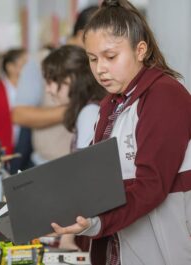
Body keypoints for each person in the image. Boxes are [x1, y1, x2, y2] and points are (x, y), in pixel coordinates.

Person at [51, 1, 191, 264]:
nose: (100, 68)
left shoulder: (164, 96)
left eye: (110, 57)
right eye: (93, 59)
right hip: (117, 248)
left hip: (161, 249)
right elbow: (97, 180)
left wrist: (96, 222)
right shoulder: (111, 103)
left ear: (140, 50)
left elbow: (152, 186)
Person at [12, 6, 98, 165]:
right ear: (81, 35)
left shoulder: (98, 64)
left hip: (84, 164)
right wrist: (75, 108)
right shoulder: (40, 62)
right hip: (47, 164)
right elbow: (19, 114)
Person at [42, 45, 106, 251]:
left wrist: (68, 238)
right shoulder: (90, 110)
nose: (48, 89)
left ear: (71, 79)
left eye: (52, 80)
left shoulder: (88, 113)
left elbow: (83, 180)